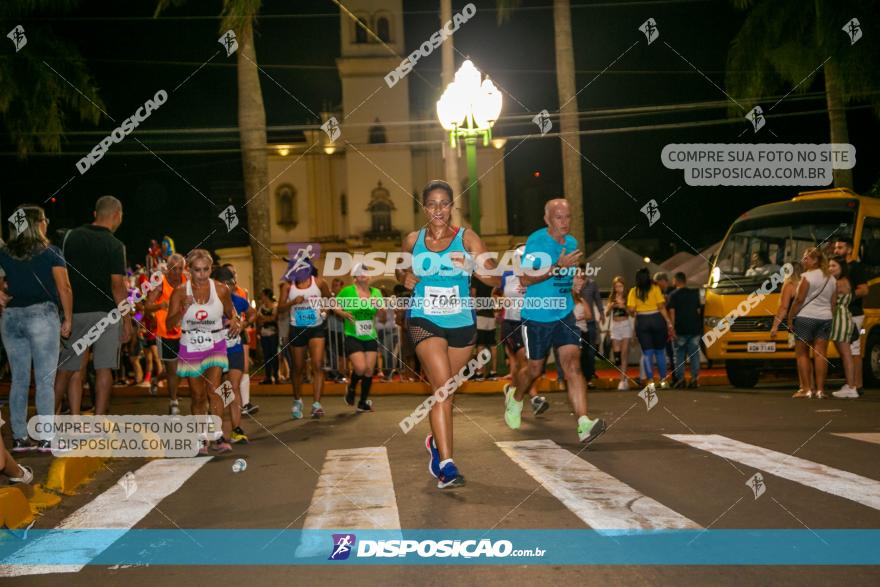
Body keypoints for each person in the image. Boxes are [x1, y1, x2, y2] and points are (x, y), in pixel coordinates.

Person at [397, 179, 499, 489]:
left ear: (452, 206)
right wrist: (407, 277)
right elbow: (400, 272)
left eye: (444, 203)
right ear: (424, 208)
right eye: (432, 204)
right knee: (441, 388)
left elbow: (494, 277)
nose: (438, 209)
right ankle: (447, 465)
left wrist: (471, 264)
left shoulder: (468, 238)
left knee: (447, 392)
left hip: (461, 323)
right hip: (424, 318)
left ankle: (435, 446)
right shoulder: (412, 240)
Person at [503, 198, 605, 445]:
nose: (565, 222)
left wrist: (576, 281)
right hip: (536, 316)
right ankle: (515, 399)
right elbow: (526, 280)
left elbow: (571, 274)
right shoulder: (537, 242)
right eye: (559, 217)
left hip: (564, 314)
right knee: (535, 369)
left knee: (572, 365)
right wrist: (557, 267)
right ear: (547, 219)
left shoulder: (571, 242)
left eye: (568, 216)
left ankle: (583, 423)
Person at [0, 205, 73, 452]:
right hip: (42, 316)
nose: (46, 223)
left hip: (11, 318)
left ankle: (19, 437)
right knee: (44, 380)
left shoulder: (5, 253)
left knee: (18, 380)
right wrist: (68, 319)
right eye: (44, 219)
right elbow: (64, 288)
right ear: (37, 223)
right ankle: (46, 437)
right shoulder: (51, 252)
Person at [55, 196, 129, 416]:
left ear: (95, 214)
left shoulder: (70, 237)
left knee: (69, 369)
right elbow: (117, 286)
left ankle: (52, 420)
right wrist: (126, 319)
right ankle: (98, 422)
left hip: (74, 311)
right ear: (117, 215)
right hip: (105, 314)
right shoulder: (115, 245)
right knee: (103, 368)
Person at [166, 249, 242, 453]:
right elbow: (169, 324)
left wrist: (236, 321)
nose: (202, 274)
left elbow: (231, 312)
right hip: (191, 346)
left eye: (206, 270)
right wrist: (182, 309)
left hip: (215, 343)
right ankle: (201, 438)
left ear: (211, 269)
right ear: (189, 270)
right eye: (197, 270)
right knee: (197, 395)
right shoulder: (181, 291)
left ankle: (217, 436)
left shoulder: (221, 289)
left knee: (214, 389)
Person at [278, 259, 333, 419]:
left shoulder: (319, 283)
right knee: (298, 368)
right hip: (297, 328)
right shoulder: (288, 286)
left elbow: (329, 299)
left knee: (317, 365)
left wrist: (324, 313)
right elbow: (279, 309)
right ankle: (297, 401)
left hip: (316, 327)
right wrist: (292, 303)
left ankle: (316, 405)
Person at [500, 245, 549, 414]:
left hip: (530, 323)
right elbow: (494, 292)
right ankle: (535, 398)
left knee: (522, 365)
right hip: (512, 324)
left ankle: (512, 390)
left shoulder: (538, 277)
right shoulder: (506, 276)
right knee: (524, 361)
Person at [214, 266, 255, 443]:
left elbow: (253, 313)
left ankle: (236, 429)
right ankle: (218, 429)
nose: (231, 287)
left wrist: (243, 326)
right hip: (216, 350)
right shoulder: (210, 302)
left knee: (234, 387)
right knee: (222, 390)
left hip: (234, 348)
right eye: (228, 284)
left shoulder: (238, 301)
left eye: (232, 284)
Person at [336, 264, 385, 412]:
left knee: (369, 370)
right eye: (359, 272)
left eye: (366, 272)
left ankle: (363, 402)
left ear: (369, 276)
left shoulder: (376, 292)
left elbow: (381, 317)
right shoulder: (347, 291)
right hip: (352, 334)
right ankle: (351, 387)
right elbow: (334, 306)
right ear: (355, 276)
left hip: (370, 335)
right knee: (360, 368)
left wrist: (381, 309)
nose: (363, 274)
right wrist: (343, 313)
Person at [788, 247, 836, 399]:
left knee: (802, 354)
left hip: (806, 318)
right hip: (825, 318)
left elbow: (799, 300)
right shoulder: (831, 278)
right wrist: (830, 317)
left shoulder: (806, 277)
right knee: (821, 354)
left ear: (816, 260)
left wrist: (790, 318)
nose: (804, 260)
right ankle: (820, 390)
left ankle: (807, 389)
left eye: (807, 258)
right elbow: (833, 303)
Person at [144, 253, 186, 415]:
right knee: (172, 369)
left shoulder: (186, 282)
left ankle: (157, 380)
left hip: (184, 332)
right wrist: (161, 305)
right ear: (168, 268)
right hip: (165, 332)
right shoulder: (160, 284)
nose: (177, 273)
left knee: (180, 370)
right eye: (174, 269)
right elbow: (147, 307)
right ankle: (173, 402)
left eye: (180, 269)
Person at [628, 267, 674, 389]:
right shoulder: (655, 289)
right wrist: (669, 322)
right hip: (657, 320)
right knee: (660, 352)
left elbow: (632, 311)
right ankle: (664, 381)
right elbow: (661, 307)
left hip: (642, 321)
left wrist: (634, 309)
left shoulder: (633, 291)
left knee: (647, 353)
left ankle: (650, 381)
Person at [832, 238, 867, 398]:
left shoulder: (856, 268)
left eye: (840, 247)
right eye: (836, 247)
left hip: (854, 314)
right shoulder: (841, 270)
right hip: (845, 314)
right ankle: (852, 383)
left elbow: (864, 290)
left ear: (850, 249)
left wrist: (845, 297)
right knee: (848, 350)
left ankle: (856, 385)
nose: (836, 250)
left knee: (854, 350)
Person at [770, 261, 806, 394]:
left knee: (801, 356)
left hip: (796, 323)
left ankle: (804, 387)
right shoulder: (807, 283)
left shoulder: (789, 285)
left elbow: (784, 307)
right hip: (812, 320)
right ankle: (812, 386)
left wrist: (775, 326)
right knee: (809, 356)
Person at [666, 272, 703, 388]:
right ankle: (694, 379)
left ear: (676, 281)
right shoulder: (694, 293)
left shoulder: (672, 295)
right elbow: (698, 311)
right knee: (694, 355)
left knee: (679, 355)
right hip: (694, 329)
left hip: (680, 329)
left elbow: (672, 313)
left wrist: (671, 328)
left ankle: (680, 379)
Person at [828, 256, 857, 396]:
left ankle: (851, 387)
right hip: (844, 316)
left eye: (834, 266)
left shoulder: (838, 283)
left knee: (846, 354)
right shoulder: (846, 281)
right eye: (829, 266)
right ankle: (850, 384)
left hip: (839, 319)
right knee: (845, 353)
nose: (830, 269)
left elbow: (832, 303)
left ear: (841, 267)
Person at [606, 276, 633, 390]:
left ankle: (622, 380)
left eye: (620, 286)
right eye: (616, 286)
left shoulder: (628, 297)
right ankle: (624, 375)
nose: (618, 289)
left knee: (624, 353)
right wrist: (611, 307)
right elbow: (607, 313)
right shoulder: (612, 297)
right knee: (617, 356)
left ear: (624, 286)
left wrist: (624, 306)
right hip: (615, 326)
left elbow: (632, 313)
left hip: (625, 325)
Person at [578, 269, 603, 388]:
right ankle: (579, 375)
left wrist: (601, 313)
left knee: (591, 349)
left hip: (590, 322)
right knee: (579, 352)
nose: (581, 275)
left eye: (583, 272)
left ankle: (590, 372)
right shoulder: (573, 284)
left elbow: (598, 299)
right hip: (576, 324)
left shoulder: (592, 284)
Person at [471, 277, 498, 380]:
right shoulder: (492, 277)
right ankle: (493, 372)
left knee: (480, 345)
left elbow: (473, 295)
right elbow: (496, 292)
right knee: (492, 344)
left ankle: (479, 372)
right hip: (491, 314)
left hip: (480, 314)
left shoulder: (476, 278)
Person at [256, 287, 280, 386]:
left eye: (262, 295)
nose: (261, 297)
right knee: (266, 355)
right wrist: (267, 319)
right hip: (264, 334)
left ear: (266, 296)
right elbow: (258, 319)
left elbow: (274, 318)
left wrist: (264, 319)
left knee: (274, 355)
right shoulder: (262, 307)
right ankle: (268, 376)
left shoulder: (275, 306)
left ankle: (276, 375)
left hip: (273, 334)